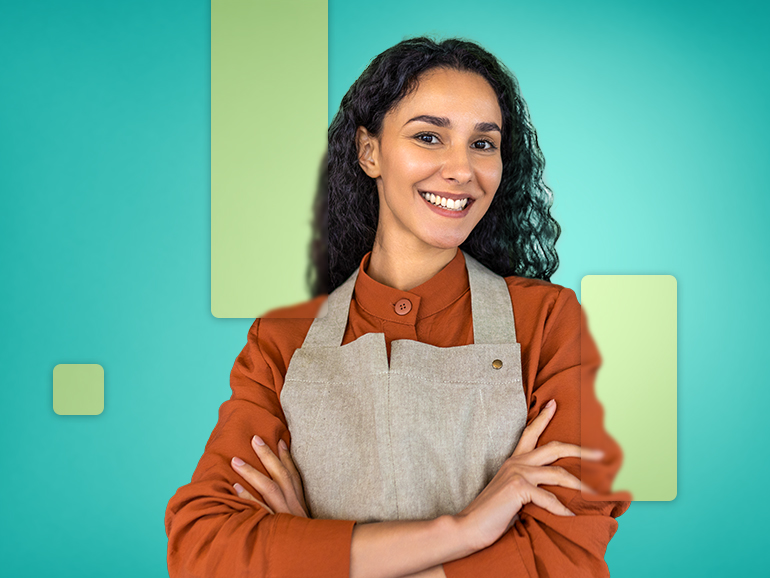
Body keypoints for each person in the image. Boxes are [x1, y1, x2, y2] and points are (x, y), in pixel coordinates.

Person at [165, 36, 631, 577]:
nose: (461, 170)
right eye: (429, 137)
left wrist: (316, 557)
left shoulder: (547, 322)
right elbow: (202, 549)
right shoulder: (281, 341)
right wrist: (461, 531)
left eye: (483, 144)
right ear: (369, 152)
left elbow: (566, 554)